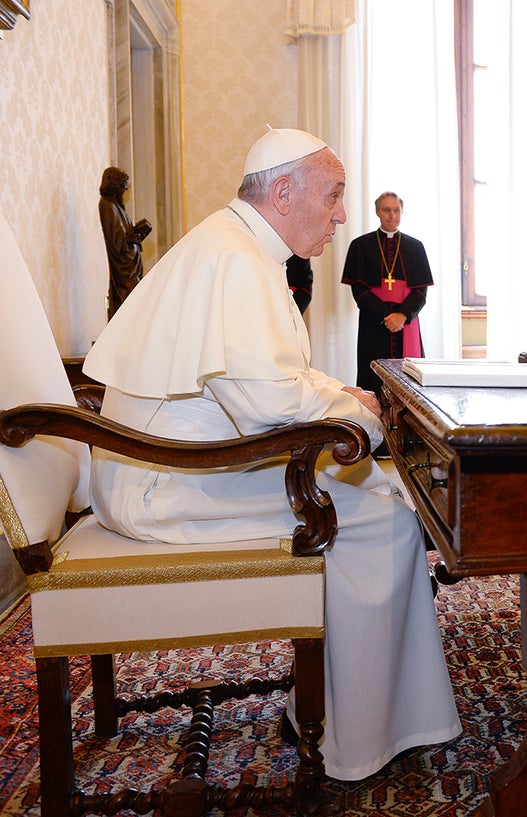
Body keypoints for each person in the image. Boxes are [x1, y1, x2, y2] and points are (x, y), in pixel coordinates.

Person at [82, 127, 462, 780]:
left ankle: (339, 702)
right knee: (384, 520)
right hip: (162, 484)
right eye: (334, 195)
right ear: (284, 192)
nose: (343, 213)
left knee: (376, 492)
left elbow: (260, 378)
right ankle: (360, 739)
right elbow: (262, 405)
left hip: (167, 462)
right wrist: (358, 412)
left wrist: (334, 393)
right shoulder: (235, 258)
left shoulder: (236, 246)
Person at [341, 192, 433, 395]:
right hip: (373, 324)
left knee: (409, 382)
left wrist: (402, 316)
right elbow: (359, 290)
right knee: (372, 380)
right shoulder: (361, 246)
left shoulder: (415, 247)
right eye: (386, 210)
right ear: (377, 212)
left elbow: (420, 291)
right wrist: (385, 316)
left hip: (406, 323)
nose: (392, 215)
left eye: (396, 210)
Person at [98, 166, 152, 319]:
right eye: (123, 186)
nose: (124, 190)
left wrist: (136, 233)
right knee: (127, 310)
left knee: (135, 308)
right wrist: (131, 238)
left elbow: (124, 234)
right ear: (115, 184)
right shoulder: (107, 205)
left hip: (131, 266)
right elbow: (116, 242)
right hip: (123, 269)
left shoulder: (117, 207)